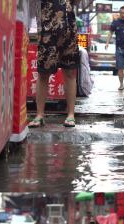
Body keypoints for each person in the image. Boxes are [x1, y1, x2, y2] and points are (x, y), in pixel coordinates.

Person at [28, 0, 80, 128]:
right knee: (43, 73)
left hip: (69, 31)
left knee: (70, 72)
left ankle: (71, 115)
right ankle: (39, 115)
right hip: (47, 32)